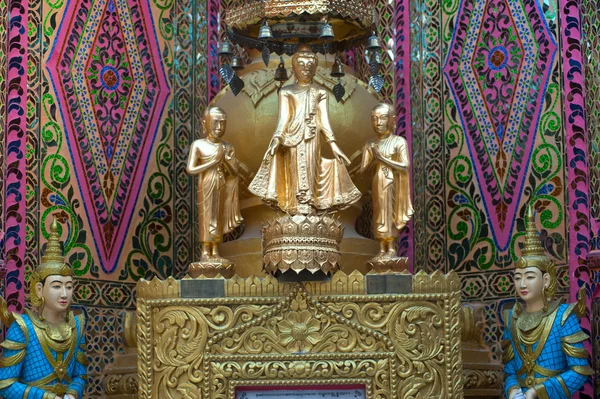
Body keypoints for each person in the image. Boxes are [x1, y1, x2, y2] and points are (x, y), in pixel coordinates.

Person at [248, 44, 361, 215]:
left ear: (315, 69)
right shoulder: (286, 92)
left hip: (312, 137)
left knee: (310, 172)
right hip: (291, 139)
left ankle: (311, 210)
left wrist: (334, 145)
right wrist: (276, 141)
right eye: (301, 65)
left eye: (310, 66)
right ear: (293, 68)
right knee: (292, 173)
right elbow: (283, 120)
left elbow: (324, 121)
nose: (305, 69)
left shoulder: (320, 92)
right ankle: (293, 210)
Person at [502, 206, 593, 399]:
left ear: (546, 280)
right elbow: (510, 370)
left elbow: (579, 371)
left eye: (530, 276)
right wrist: (512, 390)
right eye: (518, 277)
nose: (522, 284)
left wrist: (539, 391)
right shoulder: (512, 317)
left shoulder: (562, 317)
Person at [0, 217, 87, 399]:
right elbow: (6, 384)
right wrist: (45, 397)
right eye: (56, 286)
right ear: (40, 290)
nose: (64, 294)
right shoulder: (23, 328)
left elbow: (80, 375)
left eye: (69, 287)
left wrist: (72, 393)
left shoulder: (76, 326)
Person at [186, 106, 243, 261]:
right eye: (215, 123)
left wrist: (226, 162)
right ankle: (205, 252)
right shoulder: (198, 145)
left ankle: (216, 252)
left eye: (223, 123)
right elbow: (190, 169)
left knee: (217, 216)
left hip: (221, 183)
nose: (219, 127)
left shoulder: (227, 147)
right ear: (205, 123)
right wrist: (213, 162)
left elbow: (234, 174)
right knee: (206, 217)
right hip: (205, 184)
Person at [360, 103, 413, 258]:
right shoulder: (370, 144)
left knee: (390, 213)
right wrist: (374, 160)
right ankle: (382, 248)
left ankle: (391, 248)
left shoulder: (398, 142)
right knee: (379, 214)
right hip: (378, 184)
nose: (379, 123)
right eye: (374, 119)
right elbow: (363, 171)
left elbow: (405, 165)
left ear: (392, 120)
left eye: (383, 118)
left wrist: (383, 158)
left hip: (393, 184)